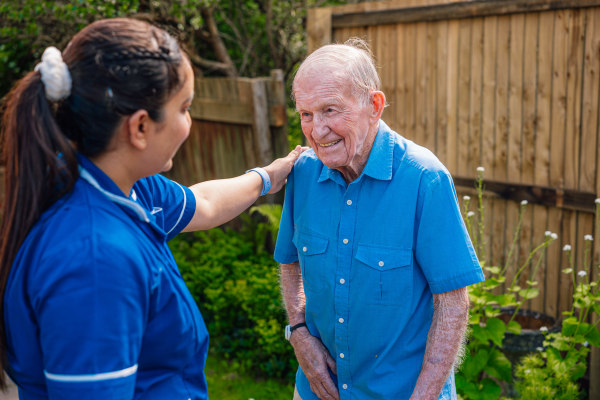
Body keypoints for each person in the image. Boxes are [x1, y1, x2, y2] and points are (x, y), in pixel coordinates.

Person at [0, 18, 303, 400]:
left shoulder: (121, 185)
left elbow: (205, 203)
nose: (189, 124)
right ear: (140, 127)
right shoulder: (95, 261)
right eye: (185, 108)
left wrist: (267, 177)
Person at [275, 39, 484, 400]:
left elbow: (452, 302)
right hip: (315, 390)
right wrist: (299, 332)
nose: (317, 130)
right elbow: (290, 263)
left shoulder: (424, 179)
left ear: (374, 105)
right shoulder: (304, 172)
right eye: (306, 114)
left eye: (330, 110)